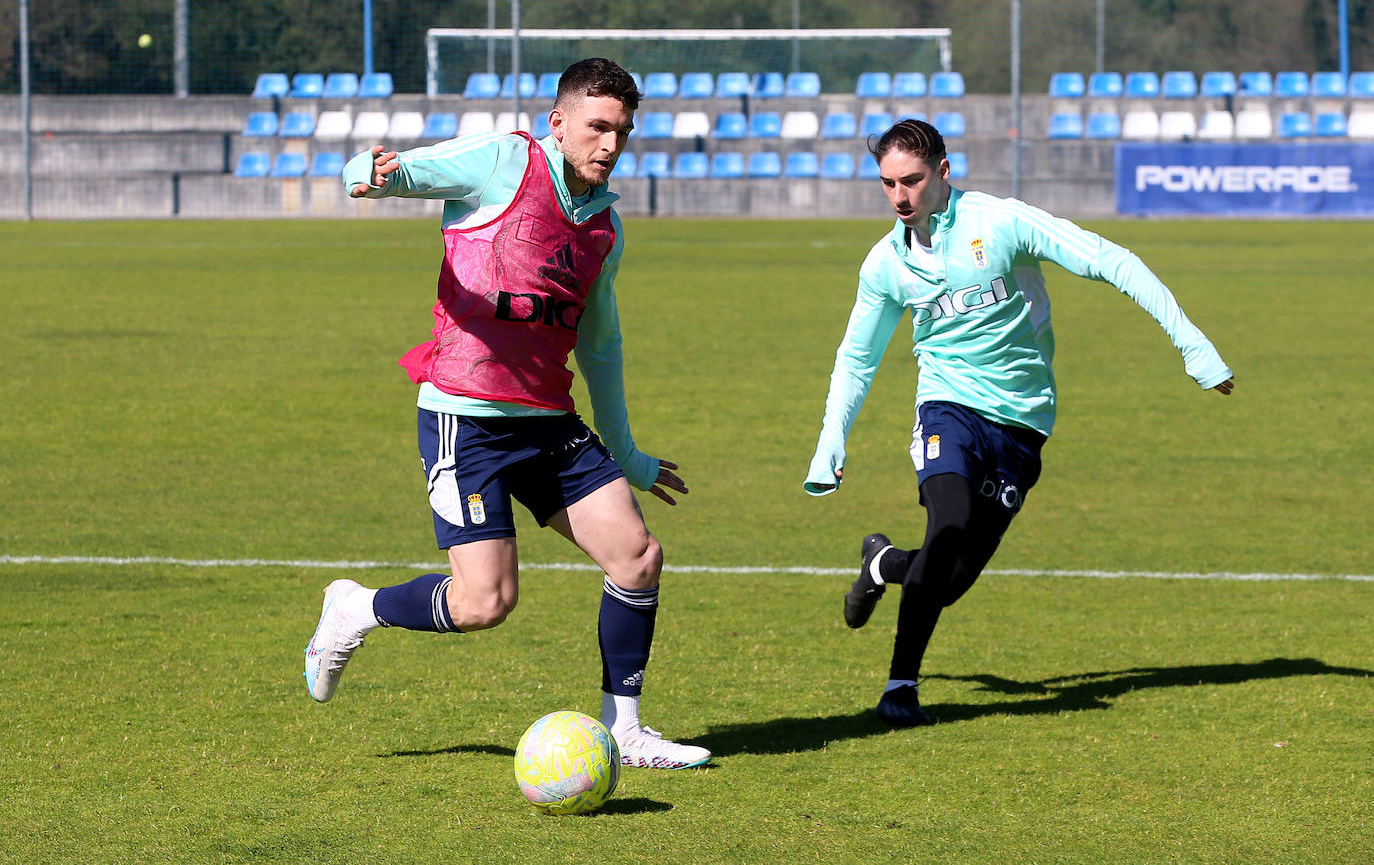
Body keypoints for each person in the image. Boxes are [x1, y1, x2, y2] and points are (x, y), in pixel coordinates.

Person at [303, 57, 710, 769]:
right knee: (485, 601)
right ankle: (355, 608)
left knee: (637, 556)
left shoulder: (604, 227)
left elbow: (601, 344)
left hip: (548, 420)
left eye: (622, 131)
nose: (610, 145)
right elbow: (398, 172)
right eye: (597, 127)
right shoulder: (502, 162)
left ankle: (626, 729)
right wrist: (368, 175)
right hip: (467, 417)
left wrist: (630, 455)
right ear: (559, 122)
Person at [804, 118, 1234, 727]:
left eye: (912, 180)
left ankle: (882, 564)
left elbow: (1111, 259)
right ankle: (900, 687)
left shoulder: (1000, 222)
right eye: (887, 184)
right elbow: (857, 357)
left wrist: (1193, 345)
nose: (900, 197)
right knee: (947, 522)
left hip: (1023, 423)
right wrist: (831, 438)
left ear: (945, 172)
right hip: (947, 406)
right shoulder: (885, 265)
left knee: (947, 579)